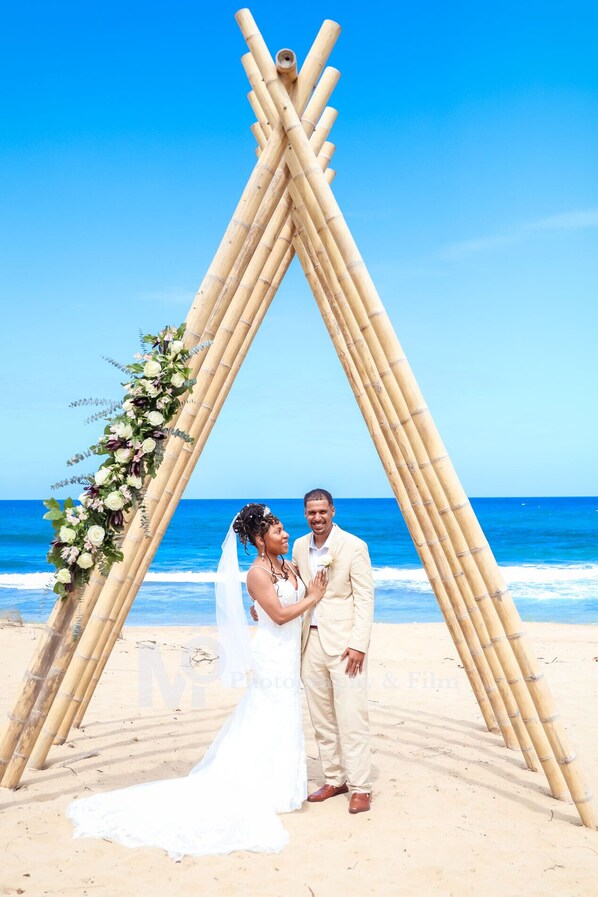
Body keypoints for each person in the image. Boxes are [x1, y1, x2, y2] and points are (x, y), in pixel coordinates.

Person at [67, 503, 327, 858]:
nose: (285, 535)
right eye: (278, 531)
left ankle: (280, 784)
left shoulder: (288, 565)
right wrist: (312, 597)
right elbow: (280, 615)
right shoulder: (256, 574)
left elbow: (270, 610)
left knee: (280, 716)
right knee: (272, 713)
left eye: (283, 529)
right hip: (271, 655)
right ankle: (261, 786)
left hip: (287, 654)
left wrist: (297, 599)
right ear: (259, 538)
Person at [292, 488, 374, 814]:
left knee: (352, 715)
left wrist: (359, 644)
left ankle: (361, 787)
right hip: (309, 643)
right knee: (321, 718)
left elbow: (365, 598)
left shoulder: (354, 546)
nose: (317, 518)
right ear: (305, 514)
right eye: (311, 512)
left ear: (333, 511)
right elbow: (295, 587)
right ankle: (334, 778)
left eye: (322, 511)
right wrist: (262, 606)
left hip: (344, 645)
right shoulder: (299, 547)